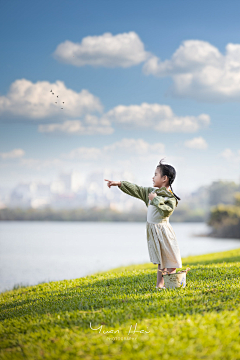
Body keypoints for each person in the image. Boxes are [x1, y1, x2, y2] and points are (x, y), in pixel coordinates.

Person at [104, 158, 182, 290]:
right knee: (161, 260)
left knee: (171, 260)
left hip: (164, 232)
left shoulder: (170, 197)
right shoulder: (150, 192)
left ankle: (173, 284)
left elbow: (166, 212)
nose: (153, 177)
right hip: (154, 231)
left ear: (164, 178)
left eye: (156, 174)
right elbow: (137, 189)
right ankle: (160, 285)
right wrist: (119, 183)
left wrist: (155, 199)